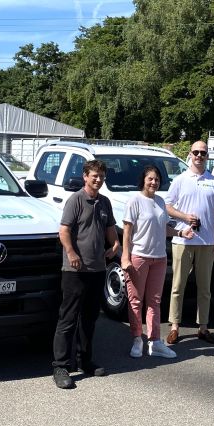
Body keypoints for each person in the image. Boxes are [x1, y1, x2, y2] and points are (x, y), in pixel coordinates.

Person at [52, 160, 120, 389]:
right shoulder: (76, 201)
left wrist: (116, 243)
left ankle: (84, 360)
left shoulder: (105, 202)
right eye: (94, 176)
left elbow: (110, 228)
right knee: (68, 318)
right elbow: (64, 231)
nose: (98, 180)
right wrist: (71, 253)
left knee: (90, 318)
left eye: (101, 176)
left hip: (97, 268)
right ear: (85, 176)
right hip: (75, 270)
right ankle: (61, 365)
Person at [121, 166, 194, 359]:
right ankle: (137, 339)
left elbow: (164, 228)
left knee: (154, 301)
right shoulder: (134, 201)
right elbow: (127, 231)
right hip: (139, 257)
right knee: (136, 301)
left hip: (160, 258)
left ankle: (154, 342)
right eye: (150, 179)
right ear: (143, 180)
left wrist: (180, 232)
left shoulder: (160, 201)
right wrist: (125, 256)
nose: (154, 182)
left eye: (157, 180)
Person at [165, 140, 214, 345]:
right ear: (190, 154)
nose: (199, 156)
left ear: (207, 156)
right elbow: (167, 206)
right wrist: (184, 217)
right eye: (196, 152)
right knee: (178, 286)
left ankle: (203, 327)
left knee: (204, 288)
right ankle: (175, 327)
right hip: (182, 240)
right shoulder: (180, 180)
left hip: (207, 242)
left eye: (203, 153)